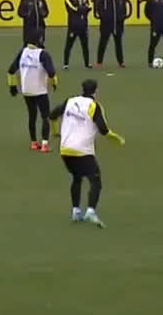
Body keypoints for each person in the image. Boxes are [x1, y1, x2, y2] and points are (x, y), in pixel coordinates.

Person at [48, 78, 125, 227]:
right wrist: (117, 139)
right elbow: (103, 130)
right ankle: (90, 210)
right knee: (96, 181)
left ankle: (76, 211)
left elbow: (52, 115)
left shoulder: (70, 101)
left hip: (65, 149)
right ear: (96, 91)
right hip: (82, 150)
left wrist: (55, 132)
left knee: (76, 178)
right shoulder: (94, 106)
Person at [7, 30, 59, 152]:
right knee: (45, 116)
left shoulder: (23, 52)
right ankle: (45, 144)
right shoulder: (43, 54)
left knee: (32, 115)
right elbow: (51, 72)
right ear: (40, 39)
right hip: (40, 90)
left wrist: (12, 86)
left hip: (27, 90)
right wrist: (54, 83)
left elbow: (11, 70)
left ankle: (33, 143)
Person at [94, 0, 129, 67]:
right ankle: (99, 62)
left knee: (118, 43)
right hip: (106, 23)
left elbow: (123, 4)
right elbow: (98, 5)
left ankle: (121, 62)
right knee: (103, 42)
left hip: (118, 23)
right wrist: (103, 16)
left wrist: (122, 17)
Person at [64, 0, 93, 69]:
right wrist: (83, 8)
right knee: (69, 45)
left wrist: (81, 9)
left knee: (85, 45)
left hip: (83, 25)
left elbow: (90, 6)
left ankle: (87, 63)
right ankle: (66, 64)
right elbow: (72, 9)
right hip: (73, 26)